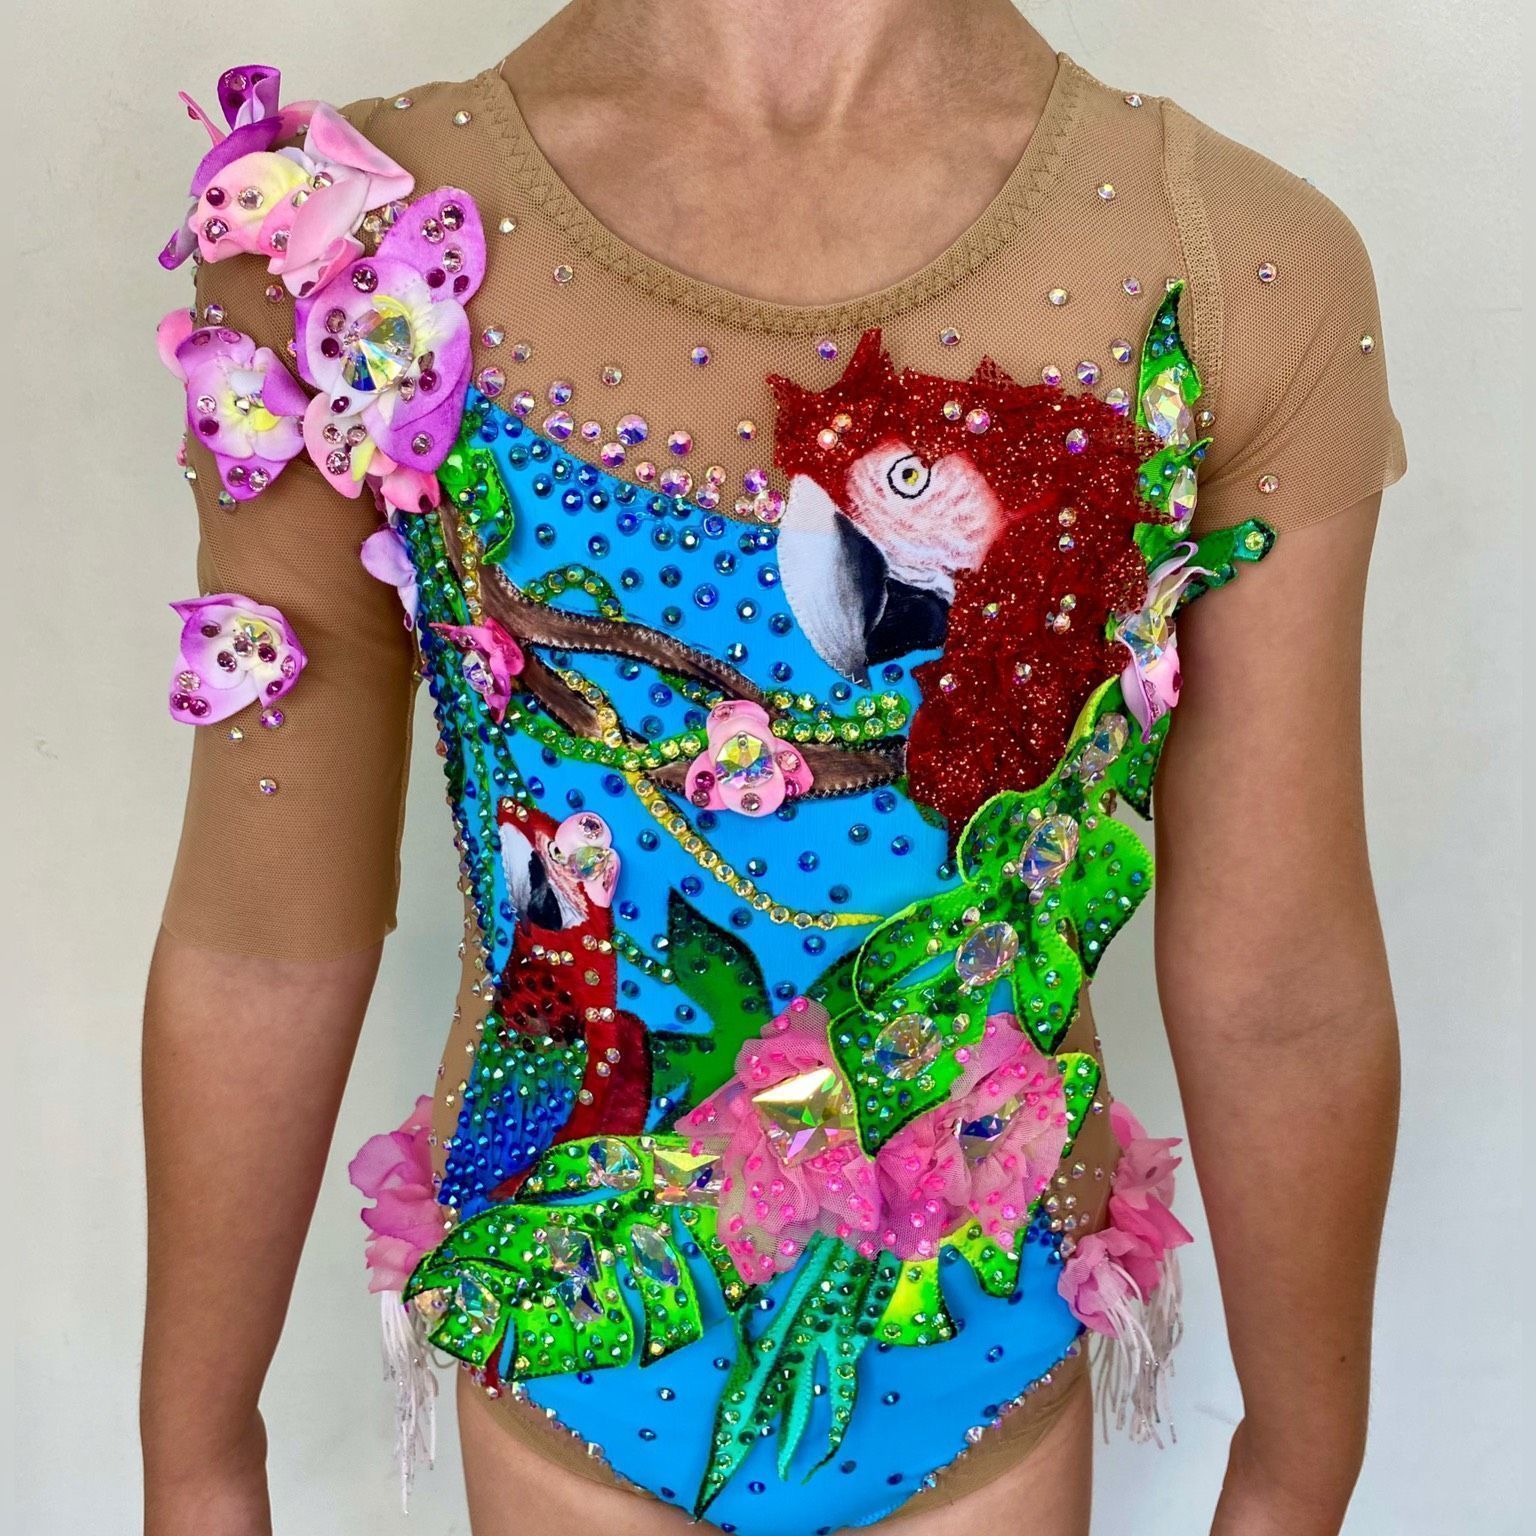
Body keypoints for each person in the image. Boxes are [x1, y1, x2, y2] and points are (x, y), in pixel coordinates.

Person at [140, 3, 1405, 1534]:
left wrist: (1293, 1474)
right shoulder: (352, 251)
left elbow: (1283, 984)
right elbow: (265, 937)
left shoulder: (1239, 262)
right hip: (565, 1347)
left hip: (984, 1338)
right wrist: (199, 1463)